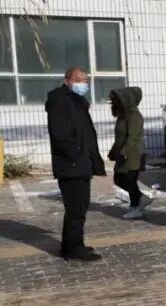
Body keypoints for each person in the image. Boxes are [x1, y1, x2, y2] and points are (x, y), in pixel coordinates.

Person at [46, 67, 105, 262]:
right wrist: (76, 155)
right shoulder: (60, 102)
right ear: (68, 81)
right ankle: (74, 249)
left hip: (81, 163)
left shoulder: (77, 101)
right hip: (71, 165)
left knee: (80, 206)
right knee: (76, 209)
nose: (83, 84)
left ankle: (71, 244)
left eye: (86, 80)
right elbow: (60, 135)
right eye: (79, 80)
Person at [107, 86, 152, 220]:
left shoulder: (134, 116)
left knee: (129, 180)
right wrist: (114, 151)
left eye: (115, 100)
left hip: (133, 154)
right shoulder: (123, 115)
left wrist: (124, 152)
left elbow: (132, 137)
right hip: (124, 152)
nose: (113, 103)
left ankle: (135, 207)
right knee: (119, 179)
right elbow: (120, 137)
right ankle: (141, 199)